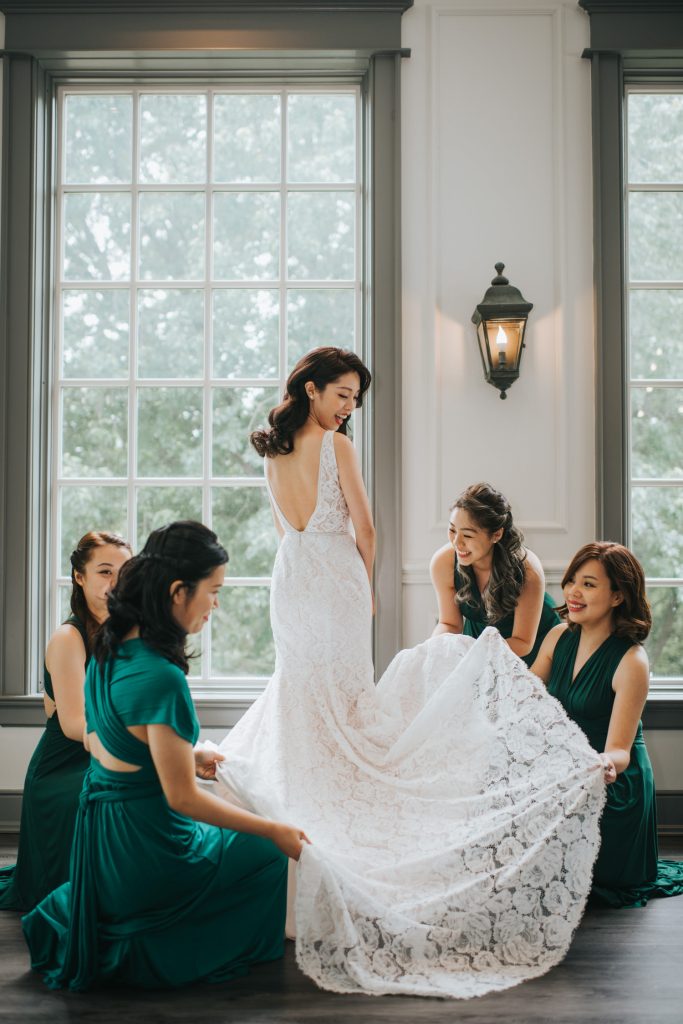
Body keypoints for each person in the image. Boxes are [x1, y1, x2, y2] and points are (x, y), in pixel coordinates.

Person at [212, 347, 605, 1000]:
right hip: (332, 574)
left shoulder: (272, 448)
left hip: (292, 578)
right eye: (341, 394)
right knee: (338, 700)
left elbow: (288, 528)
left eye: (355, 399)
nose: (348, 408)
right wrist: (364, 583)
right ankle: (336, 825)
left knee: (305, 694)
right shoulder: (334, 447)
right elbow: (364, 526)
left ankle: (304, 811)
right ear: (310, 389)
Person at [22, 521, 309, 991]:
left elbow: (110, 743)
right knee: (265, 854)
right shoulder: (163, 677)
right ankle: (183, 943)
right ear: (178, 591)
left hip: (101, 845)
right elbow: (183, 800)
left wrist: (185, 755)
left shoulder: (107, 650)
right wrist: (274, 830)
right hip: (149, 850)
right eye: (213, 591)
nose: (216, 605)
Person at [531, 541, 683, 908]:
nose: (573, 592)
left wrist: (602, 764)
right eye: (571, 581)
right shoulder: (557, 637)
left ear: (617, 596)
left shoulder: (632, 661)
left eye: (588, 584)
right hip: (564, 768)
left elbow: (620, 749)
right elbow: (526, 698)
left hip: (612, 781)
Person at [0, 531, 132, 911]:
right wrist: (132, 750)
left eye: (124, 572)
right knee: (122, 789)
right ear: (79, 576)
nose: (115, 582)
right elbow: (73, 724)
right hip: (63, 767)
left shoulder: (124, 633)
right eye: (104, 571)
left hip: (99, 751)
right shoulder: (67, 638)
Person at [430, 483, 560, 667]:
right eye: (452, 530)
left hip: (530, 648)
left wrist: (474, 655)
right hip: (478, 644)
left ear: (496, 534)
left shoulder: (528, 569)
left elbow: (523, 642)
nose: (456, 543)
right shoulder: (443, 562)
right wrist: (432, 648)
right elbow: (450, 623)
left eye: (467, 535)